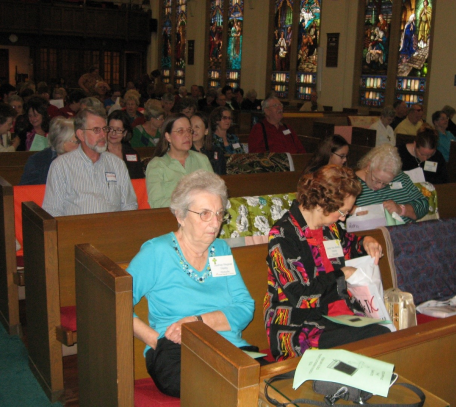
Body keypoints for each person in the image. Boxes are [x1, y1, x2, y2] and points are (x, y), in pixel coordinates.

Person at [128, 170, 256, 397]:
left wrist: (197, 322)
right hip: (176, 350)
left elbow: (245, 306)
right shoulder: (157, 252)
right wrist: (154, 340)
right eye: (205, 214)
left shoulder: (221, 250)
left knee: (263, 384)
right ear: (180, 215)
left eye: (219, 213)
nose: (215, 223)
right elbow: (116, 303)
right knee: (214, 387)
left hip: (228, 345)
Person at [264, 165, 389, 361]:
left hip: (339, 316)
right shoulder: (283, 235)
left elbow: (349, 244)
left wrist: (365, 241)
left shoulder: (330, 228)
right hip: (300, 324)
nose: (343, 217)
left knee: (386, 335)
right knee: (377, 338)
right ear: (321, 203)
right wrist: (341, 275)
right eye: (341, 211)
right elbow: (300, 295)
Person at [42, 107, 138, 216]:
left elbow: (129, 204)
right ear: (81, 135)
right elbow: (52, 210)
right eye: (96, 130)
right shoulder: (61, 166)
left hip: (112, 229)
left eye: (105, 129)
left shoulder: (117, 164)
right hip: (77, 230)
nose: (103, 135)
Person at [146, 115, 213, 208]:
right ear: (168, 137)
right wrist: (190, 199)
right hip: (169, 218)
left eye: (189, 130)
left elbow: (214, 191)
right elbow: (156, 203)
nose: (187, 135)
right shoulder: (157, 165)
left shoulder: (202, 159)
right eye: (180, 131)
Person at [355, 144, 429, 223]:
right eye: (376, 180)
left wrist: (401, 210)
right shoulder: (351, 184)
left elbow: (424, 205)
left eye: (386, 183)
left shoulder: (400, 178)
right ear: (369, 167)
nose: (380, 186)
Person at [19, 116, 78, 185]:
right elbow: (25, 190)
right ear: (62, 142)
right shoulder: (38, 161)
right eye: (76, 142)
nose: (80, 145)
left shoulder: (81, 159)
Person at [106, 110, 145, 179]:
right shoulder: (98, 152)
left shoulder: (132, 153)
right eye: (111, 128)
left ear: (125, 133)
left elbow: (139, 179)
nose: (113, 133)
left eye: (118, 130)